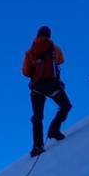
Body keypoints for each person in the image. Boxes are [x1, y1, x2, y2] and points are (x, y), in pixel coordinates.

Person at [21, 25, 72, 156]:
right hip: (52, 86)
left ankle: (37, 146)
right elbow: (61, 61)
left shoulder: (30, 52)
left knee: (37, 117)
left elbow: (25, 72)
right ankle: (54, 129)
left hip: (36, 89)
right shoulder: (55, 49)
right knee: (65, 106)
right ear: (49, 35)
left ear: (37, 35)